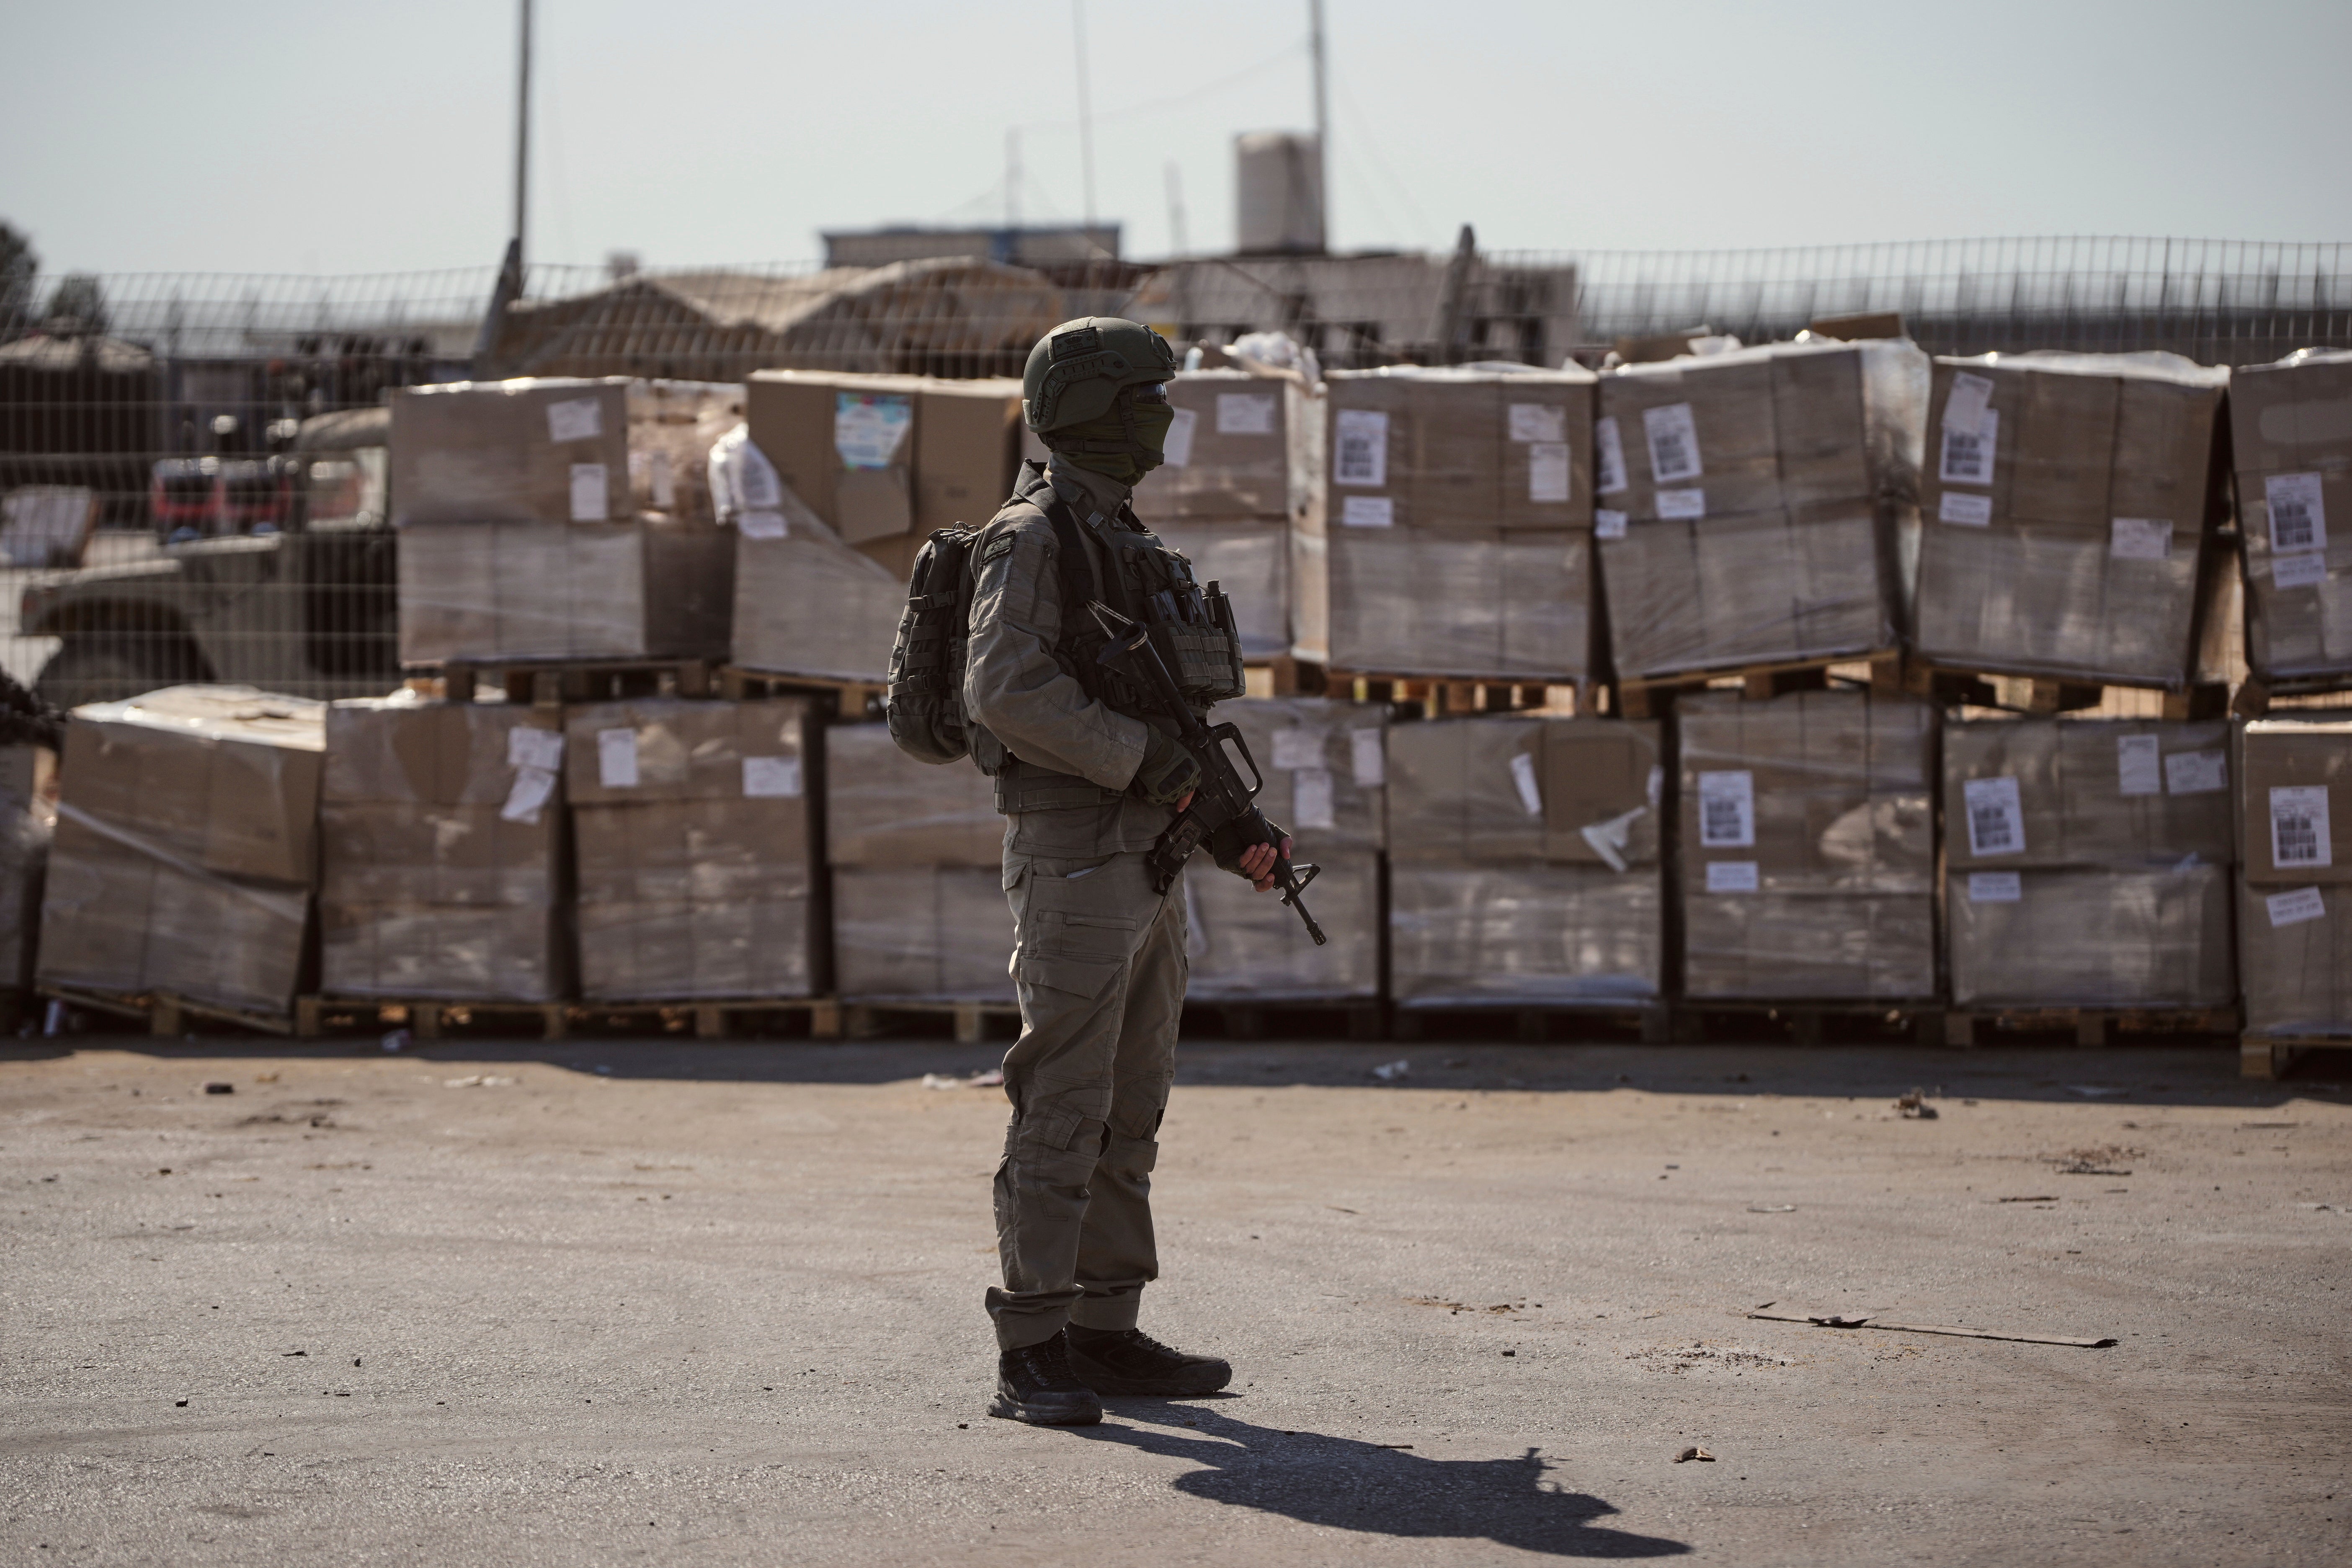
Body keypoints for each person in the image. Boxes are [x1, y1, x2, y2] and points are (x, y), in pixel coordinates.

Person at [960, 317, 1289, 1426]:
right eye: (1147, 396)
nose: (1166, 416)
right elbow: (1003, 690)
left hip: (1144, 864)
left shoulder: (1124, 541)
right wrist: (1144, 761)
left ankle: (1104, 1329)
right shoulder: (1035, 537)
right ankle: (1032, 1343)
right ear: (1095, 409)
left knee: (1130, 1104)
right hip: (1074, 858)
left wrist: (1231, 828)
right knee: (1061, 1100)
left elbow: (1168, 718)